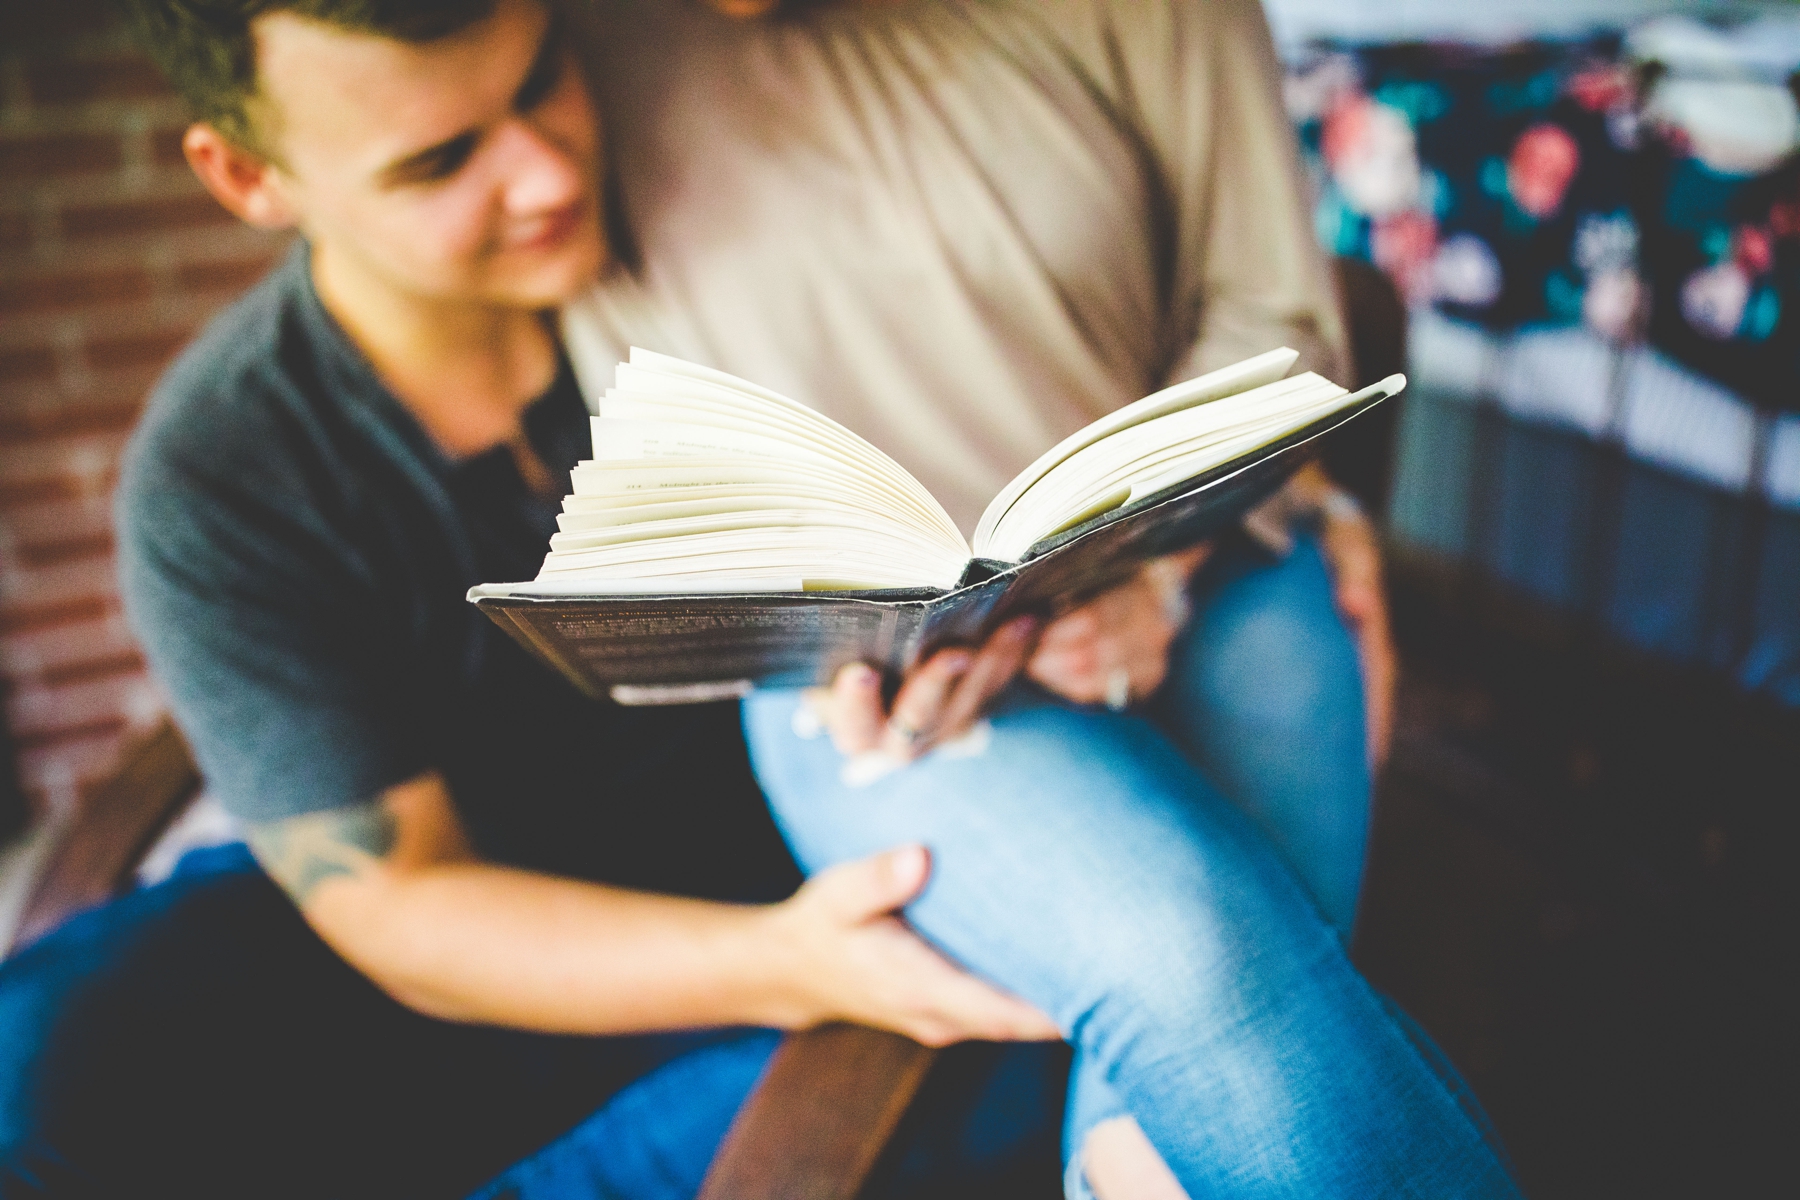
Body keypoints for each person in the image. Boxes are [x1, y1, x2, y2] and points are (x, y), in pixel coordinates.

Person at [0, 1, 1513, 1197]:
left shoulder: (696, 235)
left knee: (1119, 1029)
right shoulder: (233, 472)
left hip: (872, 808)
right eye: (438, 162)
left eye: (542, 78)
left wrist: (1277, 507)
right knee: (47, 1066)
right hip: (588, 906)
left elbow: (1052, 345)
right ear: (244, 177)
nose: (542, 171)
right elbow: (393, 899)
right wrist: (787, 959)